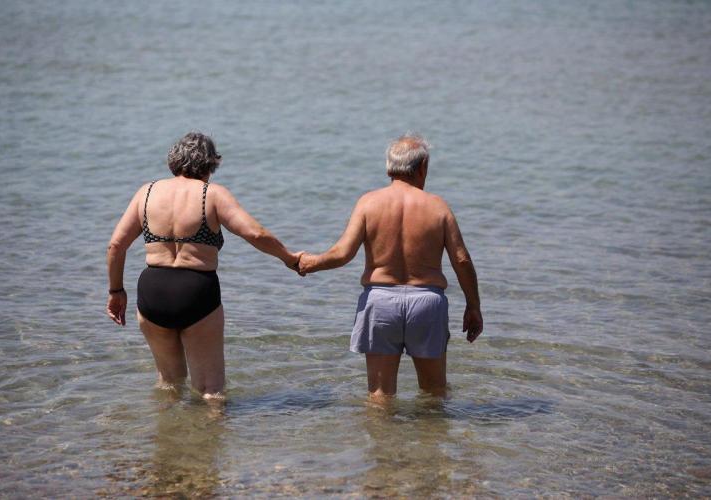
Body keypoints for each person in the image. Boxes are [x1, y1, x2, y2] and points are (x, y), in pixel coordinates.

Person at [106, 132, 301, 400]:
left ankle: (166, 427)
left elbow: (116, 246)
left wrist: (116, 291)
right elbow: (255, 234)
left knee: (168, 383)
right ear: (209, 164)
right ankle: (210, 428)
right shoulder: (212, 194)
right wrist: (289, 258)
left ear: (174, 160)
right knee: (211, 390)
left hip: (152, 293)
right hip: (196, 292)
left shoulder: (146, 192)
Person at [298, 134, 482, 400]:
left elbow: (343, 253)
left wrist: (309, 263)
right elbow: (461, 260)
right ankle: (431, 428)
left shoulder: (368, 203)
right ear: (422, 168)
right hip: (426, 304)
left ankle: (382, 429)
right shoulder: (438, 207)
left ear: (388, 168)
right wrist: (473, 306)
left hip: (380, 303)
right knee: (434, 392)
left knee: (380, 395)